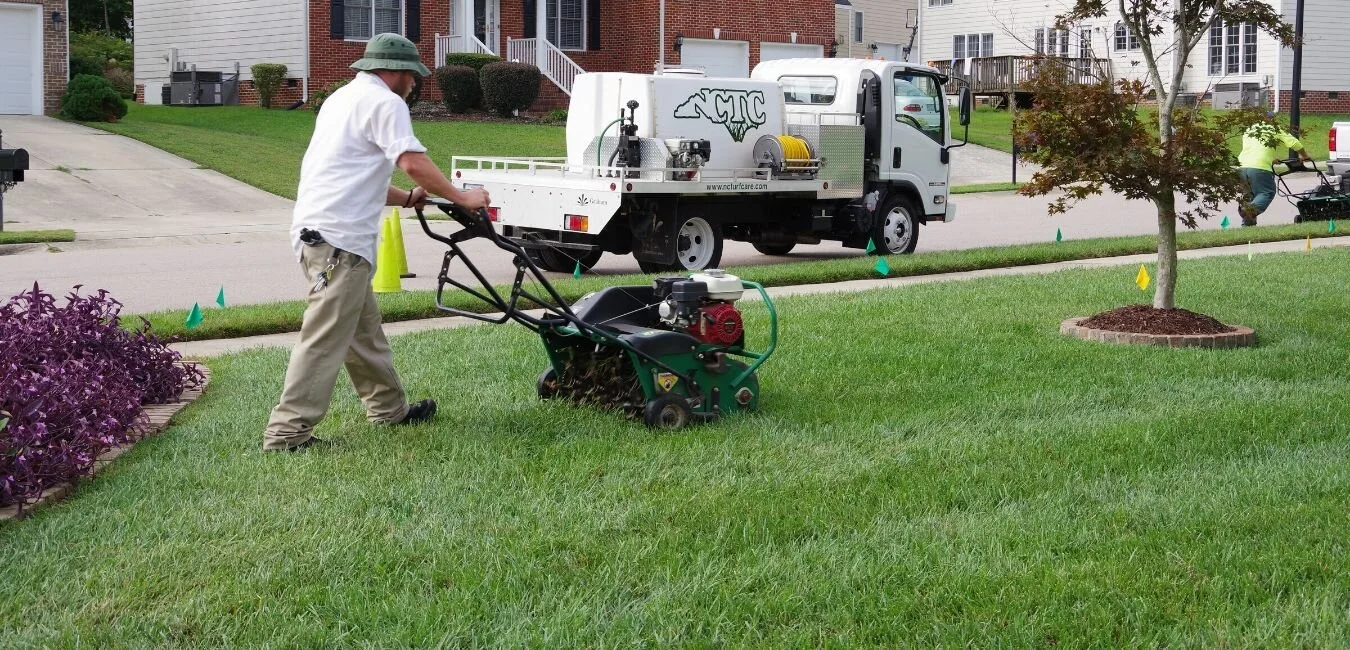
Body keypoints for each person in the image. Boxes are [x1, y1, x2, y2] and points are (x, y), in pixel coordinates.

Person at [263, 33, 491, 452]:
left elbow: (351, 169)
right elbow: (410, 160)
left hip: (322, 236)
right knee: (324, 339)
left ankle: (389, 410)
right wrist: (462, 197)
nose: (414, 84)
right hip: (339, 243)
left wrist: (406, 198)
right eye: (413, 76)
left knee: (363, 334)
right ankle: (286, 435)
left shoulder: (342, 99)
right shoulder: (387, 103)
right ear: (398, 72)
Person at [1238, 115, 1311, 226]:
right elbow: (1294, 143)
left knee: (1250, 196)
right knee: (1266, 192)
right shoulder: (1273, 128)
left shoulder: (1249, 130)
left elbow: (1252, 150)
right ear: (1271, 120)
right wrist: (1305, 156)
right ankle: (1250, 211)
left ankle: (1247, 227)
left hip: (1242, 166)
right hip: (1259, 168)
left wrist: (1271, 160)